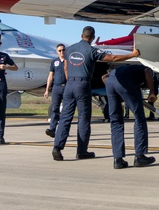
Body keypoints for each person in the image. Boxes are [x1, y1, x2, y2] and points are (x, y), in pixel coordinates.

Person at [52, 26, 139, 161]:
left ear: (81, 36)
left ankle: (57, 147)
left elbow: (65, 66)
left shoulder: (69, 49)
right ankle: (81, 151)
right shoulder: (91, 50)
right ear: (92, 38)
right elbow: (113, 58)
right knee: (84, 118)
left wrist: (70, 80)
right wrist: (132, 55)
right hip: (83, 84)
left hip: (69, 85)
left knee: (65, 117)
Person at [106, 64, 157, 168]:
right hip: (124, 82)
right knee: (139, 118)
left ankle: (118, 160)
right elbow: (147, 71)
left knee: (116, 121)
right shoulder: (148, 70)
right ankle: (140, 156)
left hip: (110, 81)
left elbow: (104, 77)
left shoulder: (130, 69)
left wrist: (117, 91)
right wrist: (152, 92)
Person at [43, 43, 66, 138]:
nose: (62, 52)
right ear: (57, 52)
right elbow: (50, 76)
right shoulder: (54, 62)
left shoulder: (68, 62)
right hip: (56, 87)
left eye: (63, 50)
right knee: (55, 109)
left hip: (67, 87)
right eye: (60, 50)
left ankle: (63, 130)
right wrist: (47, 90)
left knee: (66, 110)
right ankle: (52, 129)